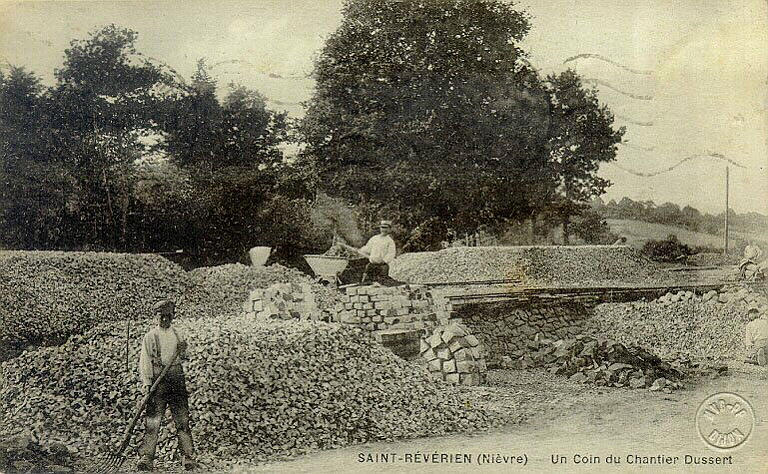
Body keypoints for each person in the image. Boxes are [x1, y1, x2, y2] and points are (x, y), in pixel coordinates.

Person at [137, 300, 197, 471]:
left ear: (173, 317)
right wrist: (148, 383)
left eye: (168, 316)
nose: (164, 319)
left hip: (177, 380)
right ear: (155, 316)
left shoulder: (179, 335)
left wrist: (184, 350)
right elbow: (145, 361)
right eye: (161, 316)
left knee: (182, 420)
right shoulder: (150, 337)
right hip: (158, 382)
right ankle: (147, 457)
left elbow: (186, 357)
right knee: (153, 421)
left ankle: (188, 456)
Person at [338, 220, 398, 285]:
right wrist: (359, 251)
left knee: (382, 282)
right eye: (382, 227)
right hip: (371, 264)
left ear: (389, 229)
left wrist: (383, 260)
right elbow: (367, 248)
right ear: (380, 228)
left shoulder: (390, 241)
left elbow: (391, 254)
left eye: (386, 228)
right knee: (367, 281)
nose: (384, 230)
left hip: (382, 266)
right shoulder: (374, 238)